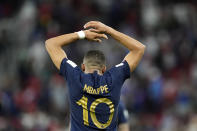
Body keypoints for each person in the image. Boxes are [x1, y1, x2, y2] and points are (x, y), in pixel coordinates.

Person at [45, 21, 145, 131]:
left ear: (83, 67)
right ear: (104, 69)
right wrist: (108, 30)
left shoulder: (75, 76)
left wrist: (82, 34)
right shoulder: (114, 78)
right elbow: (139, 48)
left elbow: (51, 44)